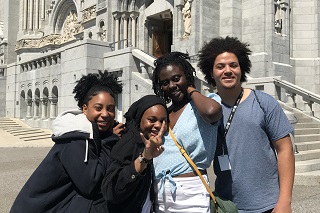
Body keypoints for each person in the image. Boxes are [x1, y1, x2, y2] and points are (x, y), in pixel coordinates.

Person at [198, 36, 295, 213]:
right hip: (227, 206)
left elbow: (285, 149)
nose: (227, 70)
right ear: (211, 73)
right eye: (220, 66)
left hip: (268, 205)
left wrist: (285, 201)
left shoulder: (263, 102)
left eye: (233, 65)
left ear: (242, 68)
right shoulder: (206, 110)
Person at [10, 70, 123, 213]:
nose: (105, 114)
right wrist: (110, 139)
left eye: (111, 109)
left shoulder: (91, 134)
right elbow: (91, 185)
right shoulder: (76, 139)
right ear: (85, 109)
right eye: (98, 108)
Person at [151, 51, 222, 212]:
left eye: (177, 78)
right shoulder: (165, 113)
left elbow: (212, 112)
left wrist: (190, 88)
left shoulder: (203, 105)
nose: (171, 85)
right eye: (165, 82)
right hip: (161, 194)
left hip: (191, 193)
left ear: (187, 76)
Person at [101, 95, 168, 213]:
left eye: (163, 121)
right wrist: (144, 159)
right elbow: (110, 191)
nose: (158, 125)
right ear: (139, 120)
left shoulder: (152, 143)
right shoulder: (128, 144)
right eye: (152, 120)